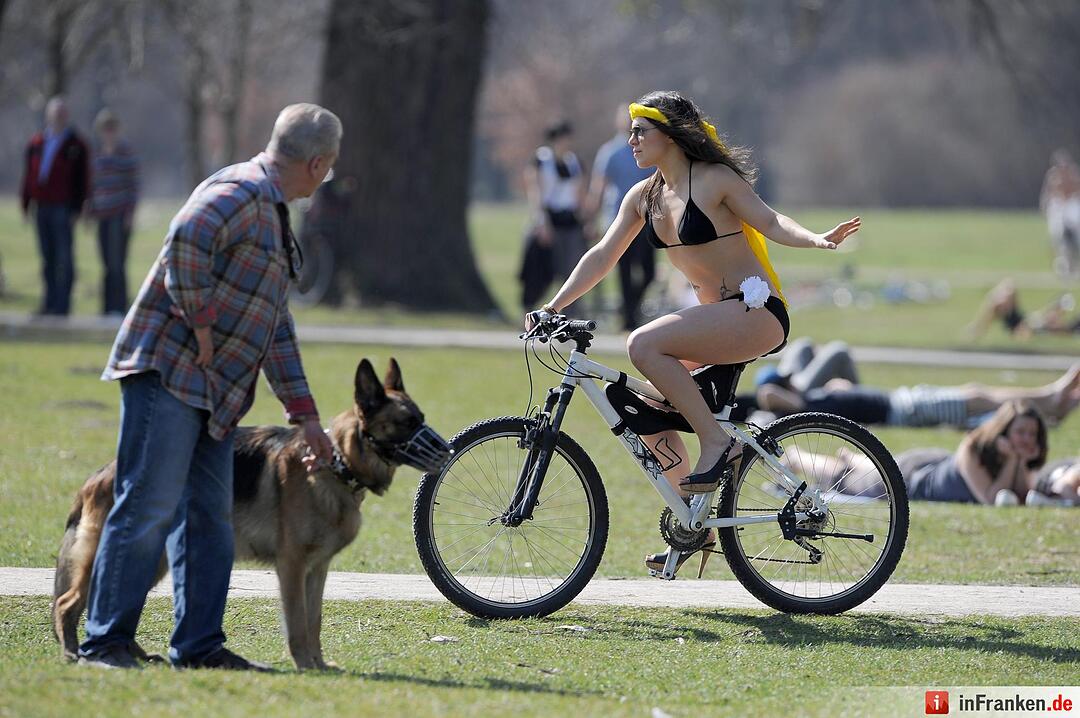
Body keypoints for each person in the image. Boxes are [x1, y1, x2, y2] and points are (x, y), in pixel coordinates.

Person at [524, 91, 860, 576]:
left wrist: (817, 239)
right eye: (632, 129)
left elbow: (769, 221)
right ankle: (694, 521)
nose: (633, 138)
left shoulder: (715, 181)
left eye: (643, 130)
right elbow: (602, 255)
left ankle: (716, 442)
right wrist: (552, 306)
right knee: (637, 406)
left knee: (643, 344)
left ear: (673, 134)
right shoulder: (644, 196)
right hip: (716, 323)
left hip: (753, 313)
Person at [78, 103, 340, 671]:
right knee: (146, 505)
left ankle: (197, 647)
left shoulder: (272, 214)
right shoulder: (243, 191)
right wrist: (199, 323)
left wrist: (305, 414)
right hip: (169, 374)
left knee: (208, 519)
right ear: (317, 163)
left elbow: (275, 325)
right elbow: (185, 241)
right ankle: (104, 644)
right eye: (330, 169)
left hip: (216, 395)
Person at [794, 401, 1048, 506]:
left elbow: (1022, 496)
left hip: (932, 464)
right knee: (848, 480)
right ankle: (796, 457)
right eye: (1021, 432)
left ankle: (853, 457)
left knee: (866, 468)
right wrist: (1014, 461)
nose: (1028, 440)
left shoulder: (1017, 459)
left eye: (1032, 434)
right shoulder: (974, 447)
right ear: (1002, 430)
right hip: (914, 476)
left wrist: (1020, 462)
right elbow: (993, 500)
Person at [743, 356, 1080, 429]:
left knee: (979, 410)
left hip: (903, 399)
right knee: (978, 397)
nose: (795, 381)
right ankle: (1048, 396)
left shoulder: (811, 399)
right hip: (905, 408)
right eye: (788, 381)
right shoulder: (794, 404)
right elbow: (768, 396)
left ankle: (1049, 412)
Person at [587, 103, 655, 330]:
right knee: (624, 271)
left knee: (649, 272)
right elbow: (599, 187)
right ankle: (629, 318)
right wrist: (592, 220)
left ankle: (631, 308)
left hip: (646, 219)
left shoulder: (648, 149)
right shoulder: (610, 152)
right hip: (619, 218)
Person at [20, 96, 90, 316]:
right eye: (54, 113)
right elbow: (29, 176)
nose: (58, 117)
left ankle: (63, 305)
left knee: (64, 257)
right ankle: (48, 302)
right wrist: (25, 203)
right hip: (42, 207)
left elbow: (83, 180)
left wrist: (78, 209)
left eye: (61, 114)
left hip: (63, 208)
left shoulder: (76, 145)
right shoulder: (37, 143)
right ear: (48, 115)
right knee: (47, 257)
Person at [520, 120, 588, 315]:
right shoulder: (541, 160)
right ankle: (531, 310)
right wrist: (542, 222)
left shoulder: (574, 163)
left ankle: (570, 314)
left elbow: (579, 194)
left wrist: (587, 221)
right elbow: (535, 192)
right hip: (548, 221)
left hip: (570, 222)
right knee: (540, 270)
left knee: (573, 269)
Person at [87, 109, 139, 316]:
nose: (108, 133)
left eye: (111, 128)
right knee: (106, 262)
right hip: (102, 214)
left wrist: (130, 213)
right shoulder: (97, 153)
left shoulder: (125, 152)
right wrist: (89, 209)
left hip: (119, 214)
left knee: (117, 262)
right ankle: (106, 306)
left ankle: (119, 305)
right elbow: (93, 184)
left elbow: (133, 186)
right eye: (105, 129)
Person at [966, 278, 1079, 341]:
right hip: (1026, 320)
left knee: (997, 302)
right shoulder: (1045, 323)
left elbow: (1022, 333)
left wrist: (1048, 317)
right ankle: (977, 328)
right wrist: (1049, 313)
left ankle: (977, 328)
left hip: (1020, 324)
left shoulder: (1051, 328)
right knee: (1008, 286)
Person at [1039, 149, 1080, 278]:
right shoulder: (1053, 177)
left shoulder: (1074, 176)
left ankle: (1075, 264)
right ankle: (1064, 264)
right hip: (1058, 208)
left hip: (1071, 206)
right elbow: (1048, 195)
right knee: (1058, 236)